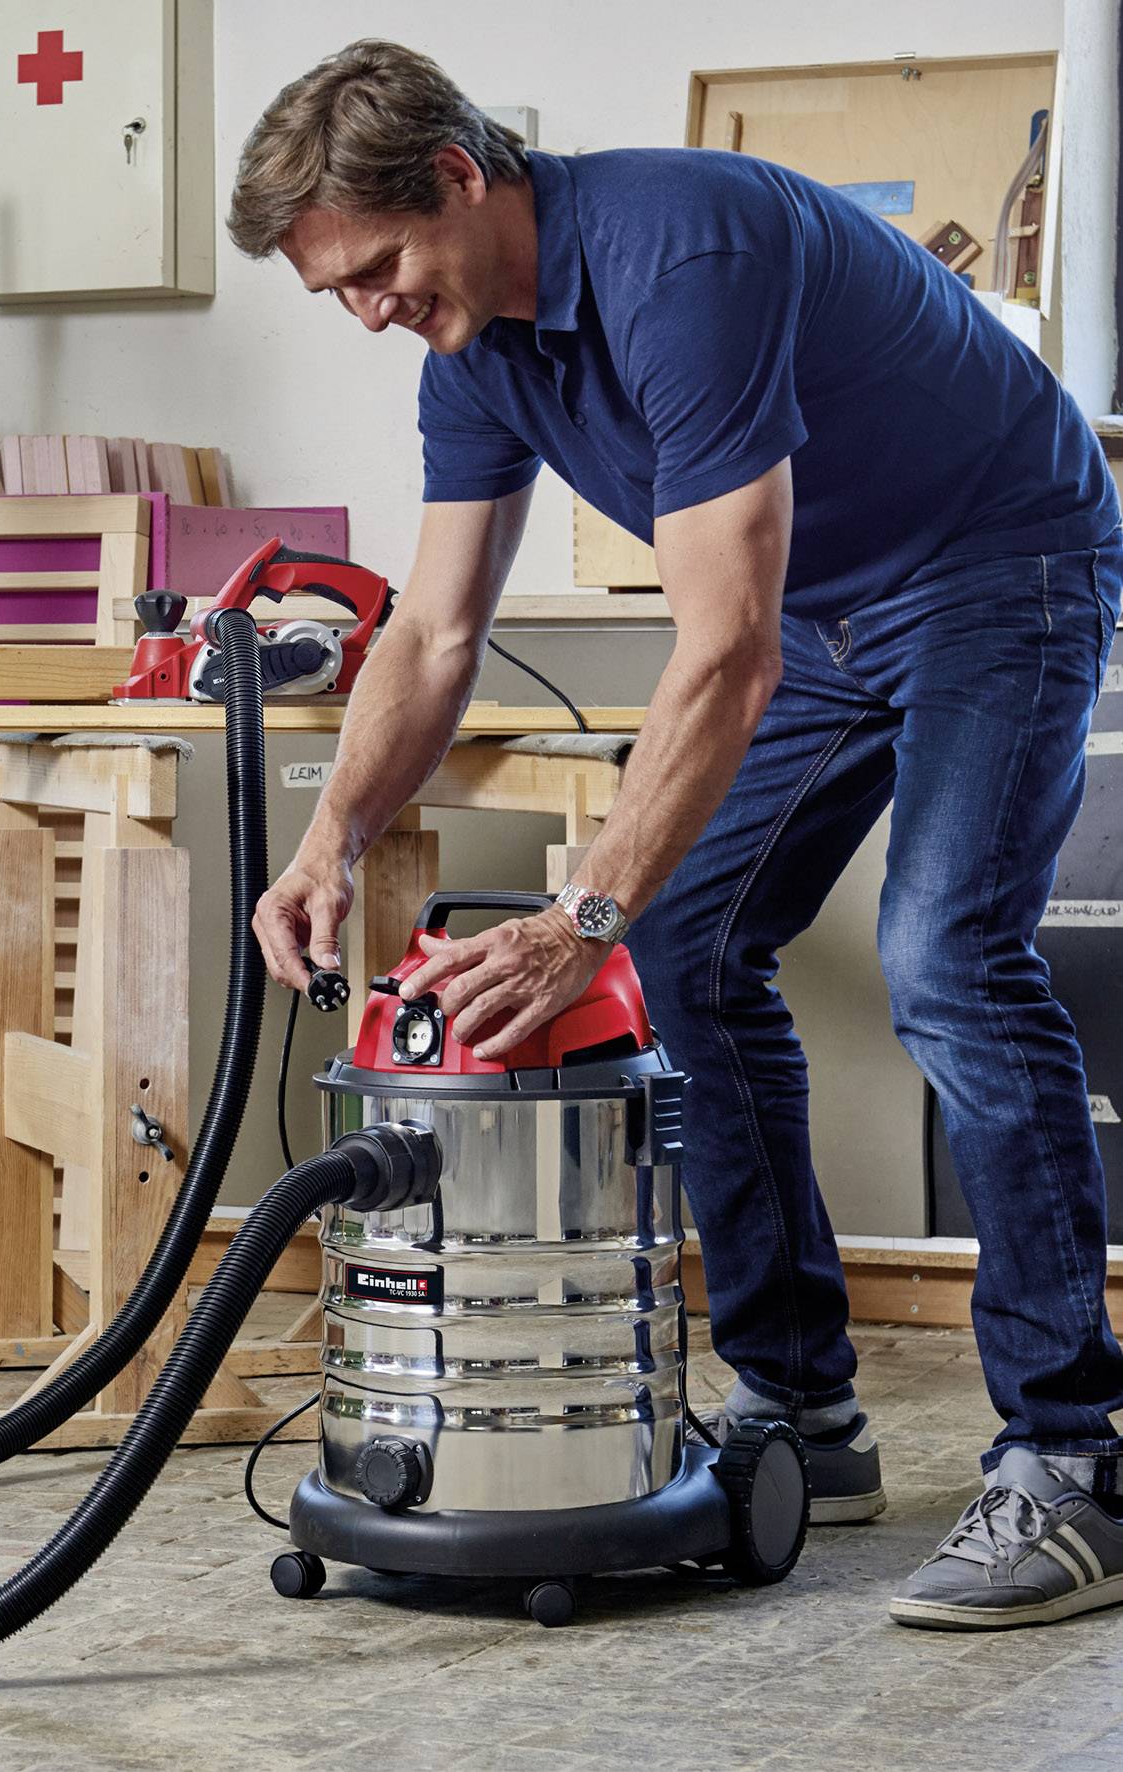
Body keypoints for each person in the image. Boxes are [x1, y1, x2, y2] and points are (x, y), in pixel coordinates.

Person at [226, 38, 1123, 1629]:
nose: (367, 311)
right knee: (687, 958)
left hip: (999, 561)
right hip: (830, 612)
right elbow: (430, 635)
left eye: (375, 269)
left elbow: (725, 645)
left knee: (941, 958)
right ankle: (801, 1414)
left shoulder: (674, 254)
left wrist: (578, 915)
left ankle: (1076, 1458)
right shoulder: (474, 354)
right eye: (335, 297)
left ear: (456, 177)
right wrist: (330, 845)